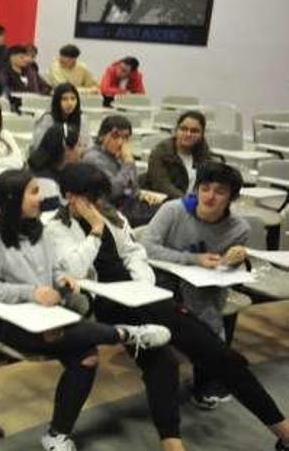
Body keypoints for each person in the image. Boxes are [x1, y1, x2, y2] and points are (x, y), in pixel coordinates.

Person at [46, 163, 289, 451]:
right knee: (168, 360)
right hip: (103, 302)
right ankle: (173, 444)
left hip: (141, 296)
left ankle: (282, 430)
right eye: (90, 198)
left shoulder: (111, 215)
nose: (96, 204)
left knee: (213, 353)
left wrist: (141, 283)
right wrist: (95, 231)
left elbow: (134, 252)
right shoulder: (55, 228)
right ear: (70, 196)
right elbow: (73, 268)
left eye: (98, 197)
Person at [0, 169, 171, 451]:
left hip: (47, 314)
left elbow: (53, 271)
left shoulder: (36, 227)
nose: (42, 198)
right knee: (76, 341)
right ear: (13, 198)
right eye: (34, 191)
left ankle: (56, 434)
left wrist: (62, 280)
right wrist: (32, 292)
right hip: (5, 318)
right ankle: (125, 334)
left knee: (87, 357)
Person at [142, 161, 247, 404]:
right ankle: (212, 370)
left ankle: (208, 379)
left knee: (209, 312)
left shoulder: (238, 227)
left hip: (206, 286)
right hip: (163, 277)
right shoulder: (174, 210)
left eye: (220, 191)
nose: (210, 196)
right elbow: (146, 247)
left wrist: (236, 260)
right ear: (197, 188)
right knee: (198, 318)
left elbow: (227, 269)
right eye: (205, 188)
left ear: (232, 197)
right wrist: (193, 259)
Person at [83, 115, 163, 225]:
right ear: (102, 136)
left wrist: (142, 195)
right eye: (115, 136)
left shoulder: (118, 155)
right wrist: (128, 162)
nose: (121, 143)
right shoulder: (93, 158)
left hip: (128, 204)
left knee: (168, 207)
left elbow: (134, 188)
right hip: (111, 211)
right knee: (164, 214)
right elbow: (113, 191)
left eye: (125, 138)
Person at [145, 111, 211, 199]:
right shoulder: (161, 153)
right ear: (176, 131)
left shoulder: (204, 154)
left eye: (194, 131)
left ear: (202, 135)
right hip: (168, 204)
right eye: (183, 129)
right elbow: (162, 186)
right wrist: (187, 202)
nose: (188, 134)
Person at [29, 123, 86, 211]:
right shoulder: (45, 182)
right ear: (66, 148)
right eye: (79, 145)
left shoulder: (63, 172)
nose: (83, 150)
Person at [33, 83, 90, 154]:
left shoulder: (82, 118)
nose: (70, 103)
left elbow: (87, 146)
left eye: (73, 98)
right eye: (64, 99)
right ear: (57, 101)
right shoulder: (47, 119)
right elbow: (39, 146)